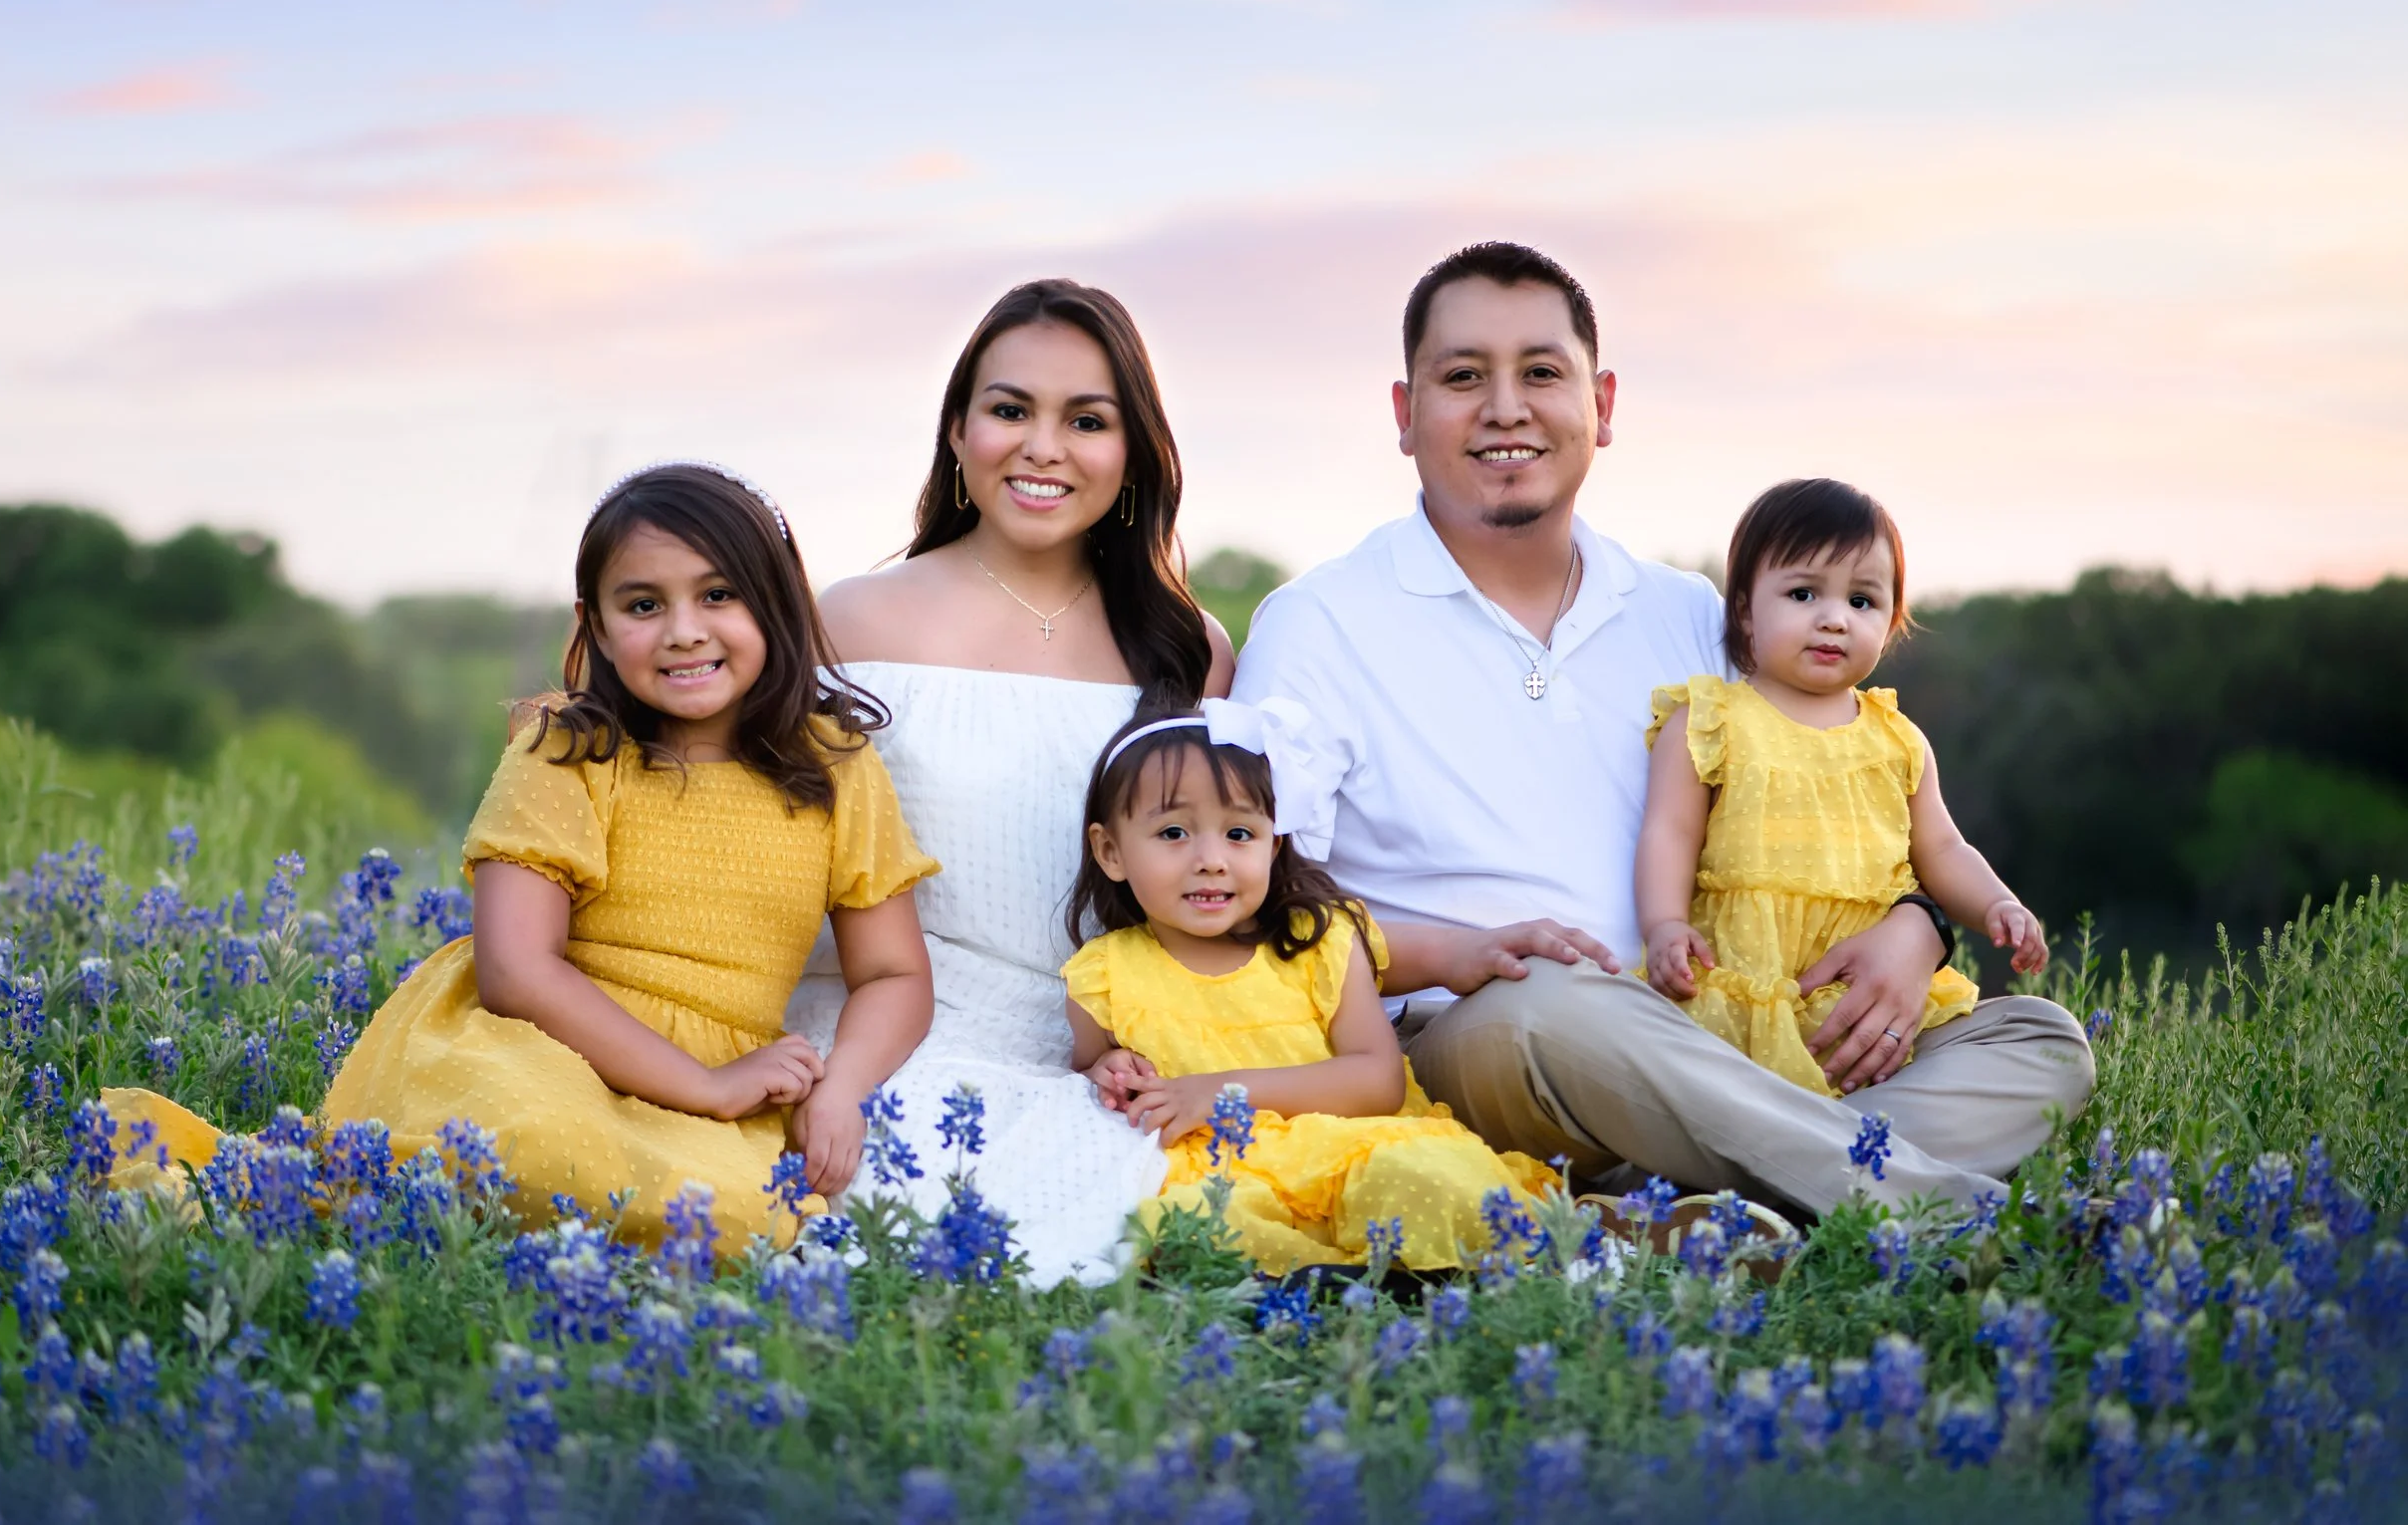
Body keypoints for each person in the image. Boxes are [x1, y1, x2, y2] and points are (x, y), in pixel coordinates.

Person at [1230, 241, 2095, 1217]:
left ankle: (1680, 1200)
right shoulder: (1322, 621)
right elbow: (1257, 910)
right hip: (1487, 1032)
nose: (1505, 406)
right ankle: (1925, 1208)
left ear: (1601, 406)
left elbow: (1842, 803)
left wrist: (1917, 929)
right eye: (1463, 375)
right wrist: (1455, 952)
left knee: (2040, 1043)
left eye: (1541, 372)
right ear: (1405, 413)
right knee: (1549, 1010)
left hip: (1721, 1022)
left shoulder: (1689, 614)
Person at [107, 463, 940, 1247]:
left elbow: (894, 974)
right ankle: (251, 1185)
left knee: (738, 1217)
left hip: (717, 1072)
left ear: (778, 605)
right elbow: (518, 971)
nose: (685, 631)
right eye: (643, 605)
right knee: (530, 1146)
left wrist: (840, 1089)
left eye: (718, 595)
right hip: (540, 1042)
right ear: (598, 628)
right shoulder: (569, 750)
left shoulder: (831, 764)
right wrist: (706, 1086)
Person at [785, 279, 1235, 1285]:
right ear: (957, 431)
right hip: (897, 1035)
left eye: (1086, 418)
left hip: (1108, 1055)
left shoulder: (1187, 646)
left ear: (1131, 453)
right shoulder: (853, 618)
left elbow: (1212, 884)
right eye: (1009, 409)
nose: (1043, 446)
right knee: (922, 1243)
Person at [1061, 702, 1555, 1273]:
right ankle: (1331, 1282)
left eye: (1239, 833)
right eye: (1174, 832)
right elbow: (1092, 1082)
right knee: (1189, 1226)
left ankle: (1395, 1265)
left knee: (1426, 1177)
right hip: (1223, 1172)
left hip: (1352, 1150)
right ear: (1111, 852)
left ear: (1273, 846)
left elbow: (1377, 1081)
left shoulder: (1318, 942)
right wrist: (1113, 1073)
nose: (1212, 861)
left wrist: (1219, 1092)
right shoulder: (1106, 974)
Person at [1636, 478, 2049, 1099]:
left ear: (1892, 622)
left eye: (1863, 601)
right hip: (1747, 988)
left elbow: (1941, 850)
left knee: (2041, 1042)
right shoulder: (1711, 720)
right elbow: (1669, 830)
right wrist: (1664, 923)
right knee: (1703, 1085)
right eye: (1803, 593)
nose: (1834, 619)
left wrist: (1998, 904)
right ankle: (1820, 1155)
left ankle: (1834, 1147)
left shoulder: (1897, 739)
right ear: (1746, 609)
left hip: (1870, 1003)